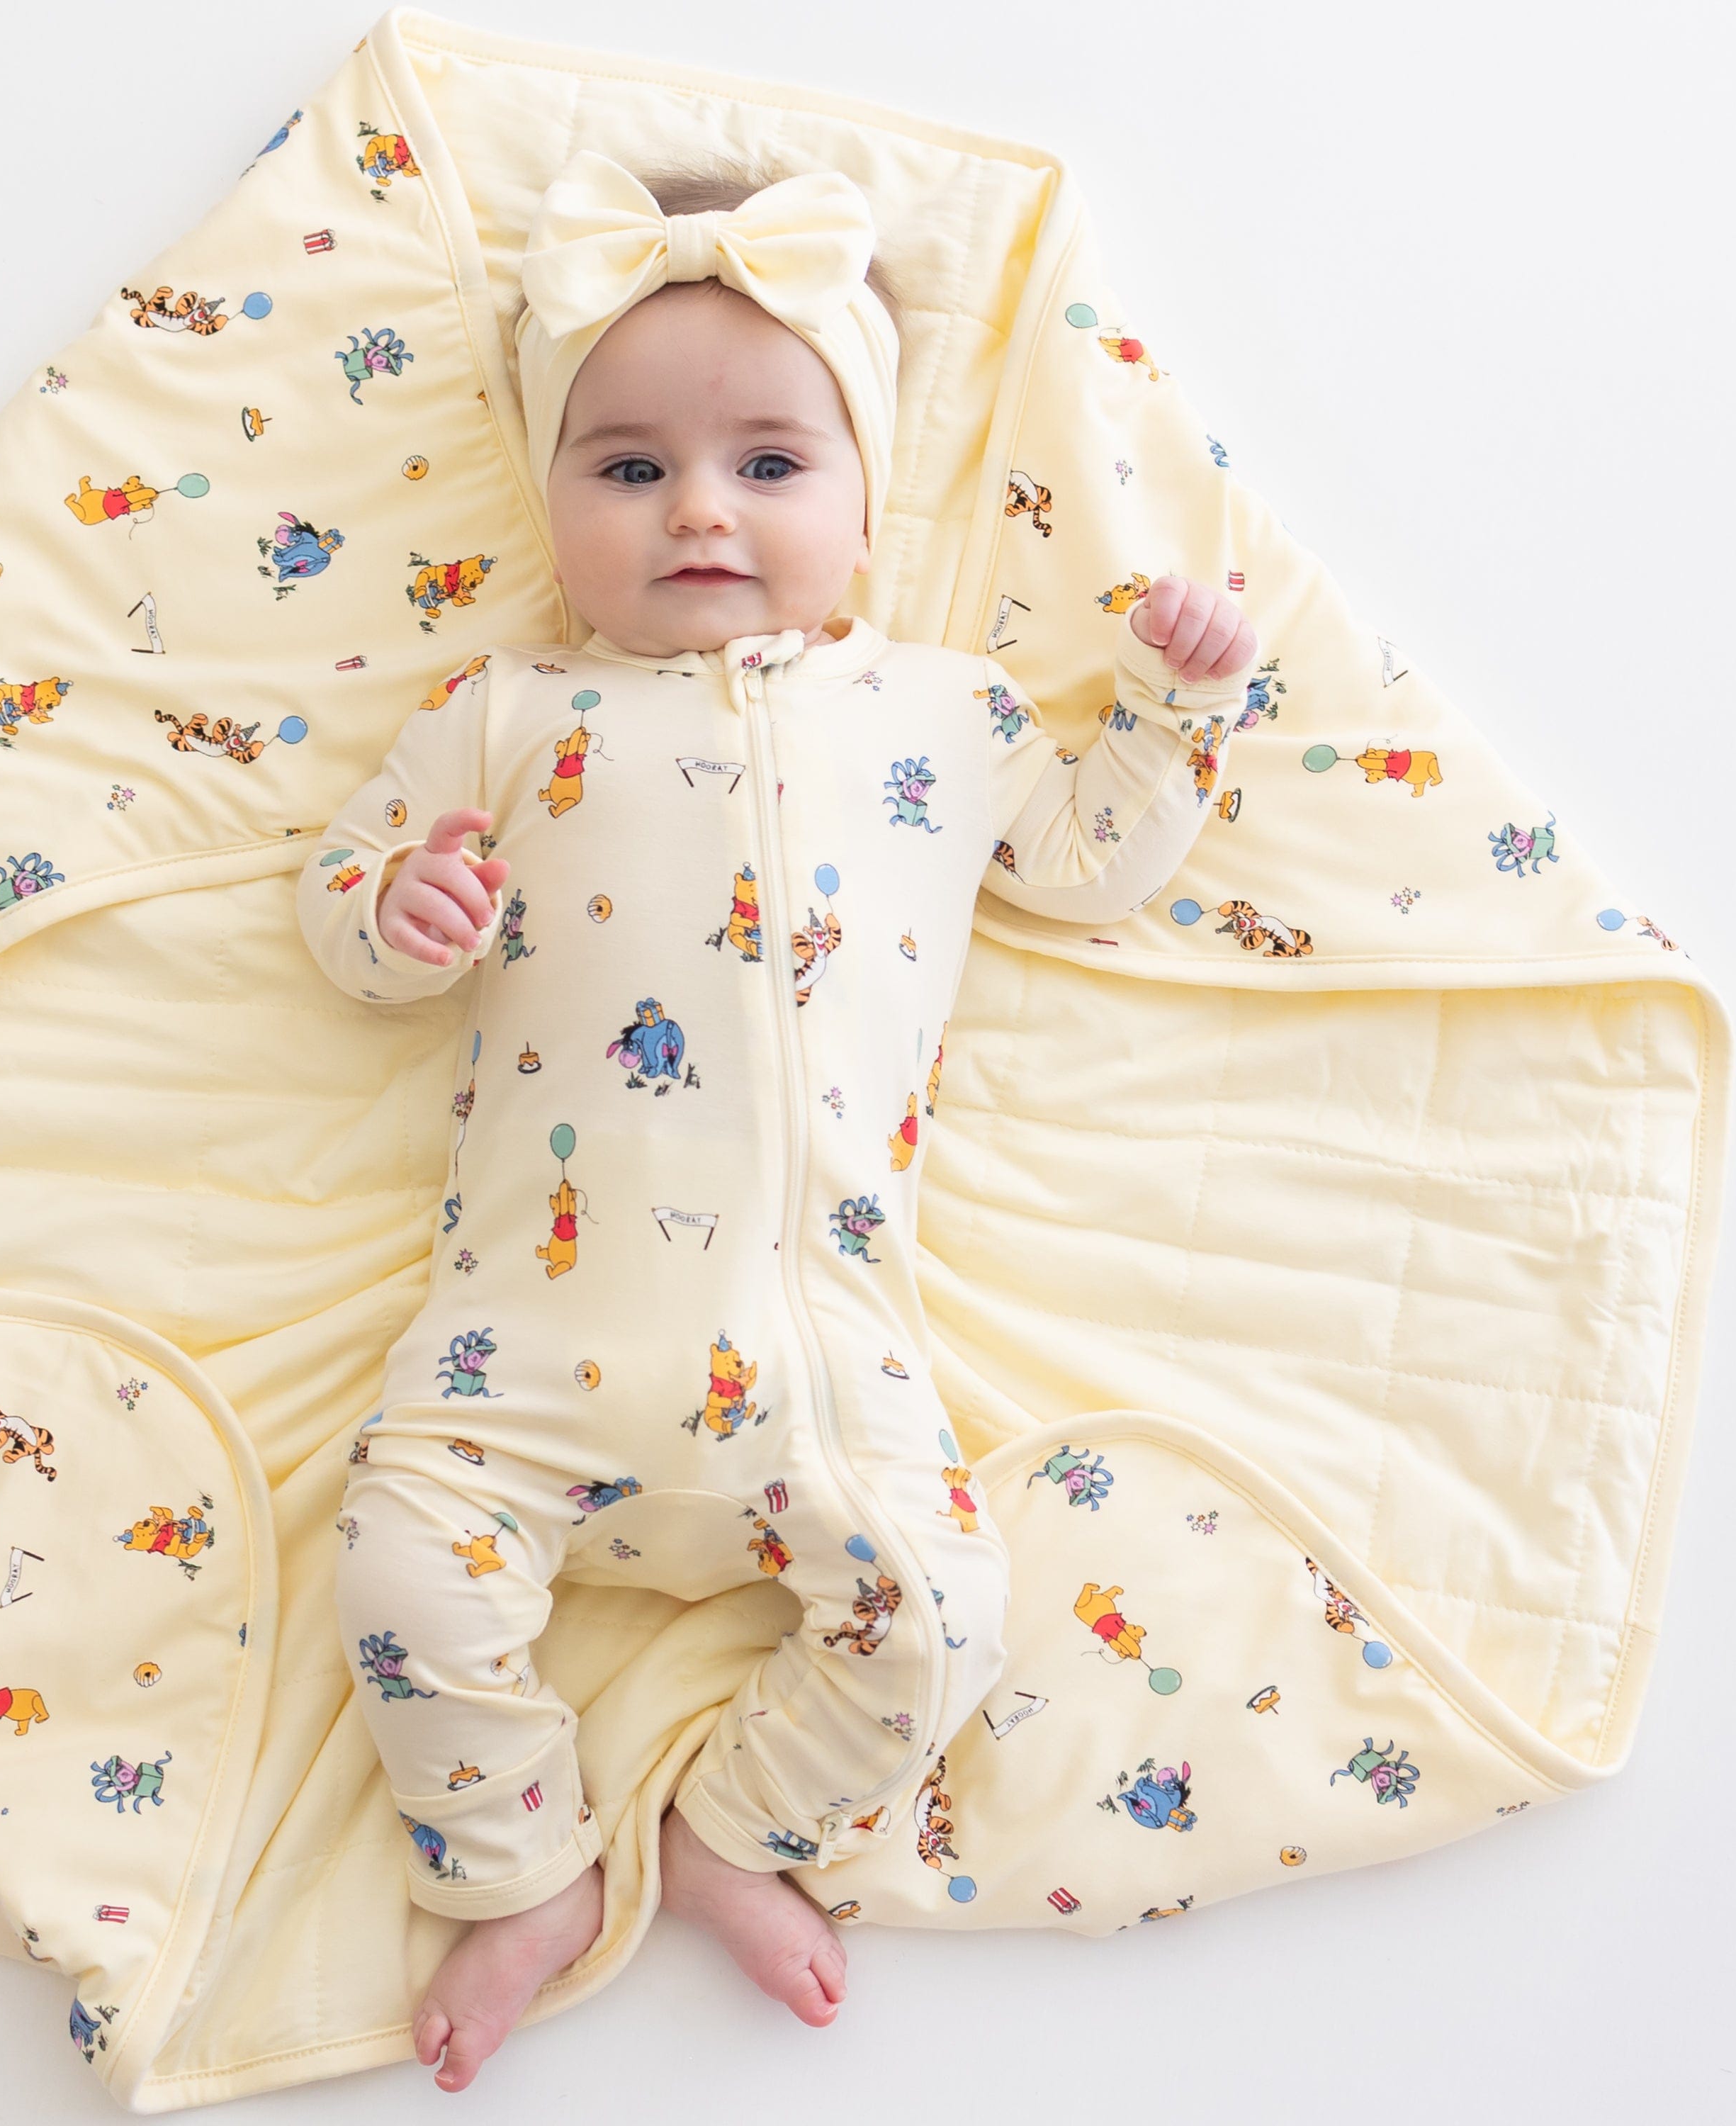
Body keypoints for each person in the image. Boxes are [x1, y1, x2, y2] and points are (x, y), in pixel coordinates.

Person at [295, 146, 1257, 2093]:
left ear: (865, 489)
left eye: (769, 464)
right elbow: (347, 910)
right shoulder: (504, 710)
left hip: (816, 1360)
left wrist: (1172, 718)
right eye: (629, 467)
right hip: (517, 1357)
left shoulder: (946, 711)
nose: (700, 510)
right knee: (395, 1576)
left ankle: (734, 1828)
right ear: (554, 489)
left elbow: (1085, 865)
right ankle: (515, 1865)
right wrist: (399, 916)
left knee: (943, 1616)